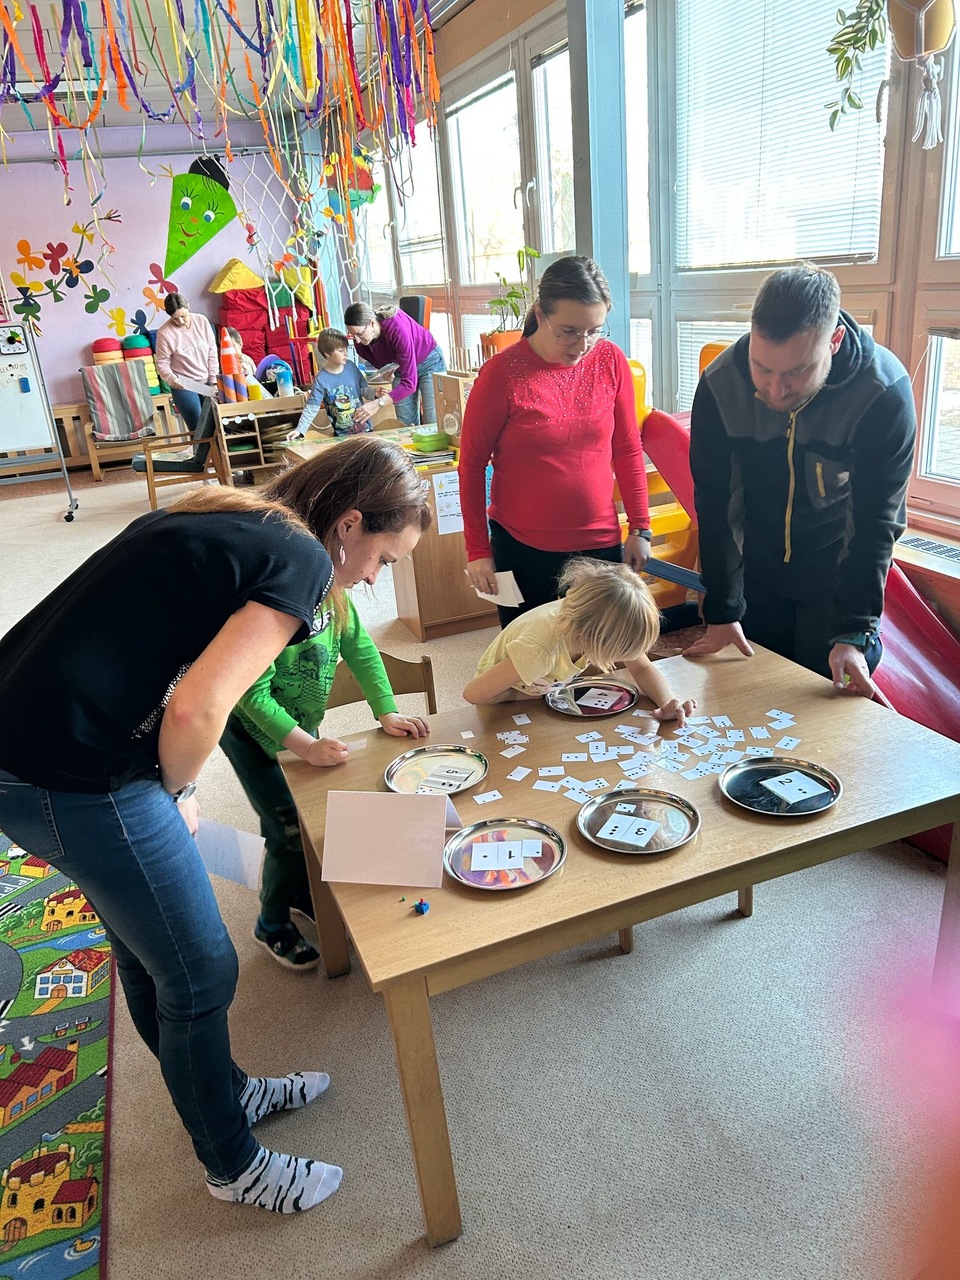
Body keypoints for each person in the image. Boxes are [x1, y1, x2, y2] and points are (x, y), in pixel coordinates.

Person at [0, 434, 430, 1214]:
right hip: (62, 766)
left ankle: (224, 1094)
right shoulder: (301, 562)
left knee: (151, 953)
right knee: (201, 970)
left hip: (39, 734)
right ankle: (233, 1167)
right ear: (349, 524)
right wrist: (178, 788)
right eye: (382, 559)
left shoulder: (239, 515)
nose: (373, 579)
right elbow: (201, 708)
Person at [684, 263, 916, 697]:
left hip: (834, 575)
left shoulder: (882, 391)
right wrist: (723, 608)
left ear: (835, 340)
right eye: (762, 368)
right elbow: (716, 505)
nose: (775, 389)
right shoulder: (720, 383)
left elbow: (876, 522)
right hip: (757, 568)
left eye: (796, 372)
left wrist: (854, 631)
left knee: (823, 707)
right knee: (751, 698)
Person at [221, 573, 430, 970]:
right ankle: (270, 922)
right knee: (287, 829)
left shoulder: (335, 596)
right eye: (381, 560)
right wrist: (306, 747)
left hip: (299, 723)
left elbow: (361, 650)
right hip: (249, 733)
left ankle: (299, 890)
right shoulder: (267, 609)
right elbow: (252, 695)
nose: (375, 576)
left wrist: (385, 710)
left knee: (308, 814)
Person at [459, 255, 652, 630]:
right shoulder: (502, 373)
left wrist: (640, 527)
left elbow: (628, 448)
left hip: (599, 542)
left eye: (594, 331)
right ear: (540, 314)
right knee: (529, 655)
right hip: (522, 547)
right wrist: (477, 550)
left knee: (600, 650)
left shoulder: (610, 360)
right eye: (568, 331)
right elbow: (471, 464)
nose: (582, 345)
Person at [462, 558, 695, 725]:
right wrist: (527, 696)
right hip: (506, 697)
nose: (626, 658)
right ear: (590, 638)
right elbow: (474, 694)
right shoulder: (540, 651)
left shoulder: (592, 618)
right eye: (617, 652)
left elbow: (642, 667)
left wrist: (666, 702)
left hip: (545, 685)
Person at [343, 301, 446, 428]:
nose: (357, 340)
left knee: (434, 421)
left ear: (372, 323)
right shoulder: (361, 345)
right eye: (352, 335)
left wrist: (377, 404)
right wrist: (386, 372)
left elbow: (409, 384)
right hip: (401, 368)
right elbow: (383, 364)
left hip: (429, 361)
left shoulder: (396, 328)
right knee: (404, 424)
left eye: (359, 334)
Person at [289, 327, 388, 439]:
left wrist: (374, 393)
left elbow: (362, 389)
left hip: (366, 430)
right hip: (342, 436)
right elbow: (312, 406)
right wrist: (299, 430)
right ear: (327, 353)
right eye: (341, 350)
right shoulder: (321, 379)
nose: (346, 353)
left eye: (346, 349)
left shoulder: (351, 367)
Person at [154, 292, 219, 432]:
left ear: (188, 306)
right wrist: (172, 379)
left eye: (183, 316)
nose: (180, 321)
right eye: (175, 319)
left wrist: (214, 380)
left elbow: (212, 352)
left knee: (215, 425)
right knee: (198, 428)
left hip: (206, 381)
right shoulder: (164, 333)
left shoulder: (201, 321)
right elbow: (162, 364)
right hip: (184, 384)